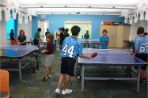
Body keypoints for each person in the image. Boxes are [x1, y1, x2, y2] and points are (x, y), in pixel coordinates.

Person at [54, 25, 95, 95]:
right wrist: (88, 57)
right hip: (71, 60)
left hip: (63, 58)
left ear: (71, 31)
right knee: (68, 75)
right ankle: (65, 90)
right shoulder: (78, 42)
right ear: (78, 33)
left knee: (62, 74)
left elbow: (63, 47)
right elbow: (80, 55)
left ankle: (58, 88)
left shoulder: (66, 38)